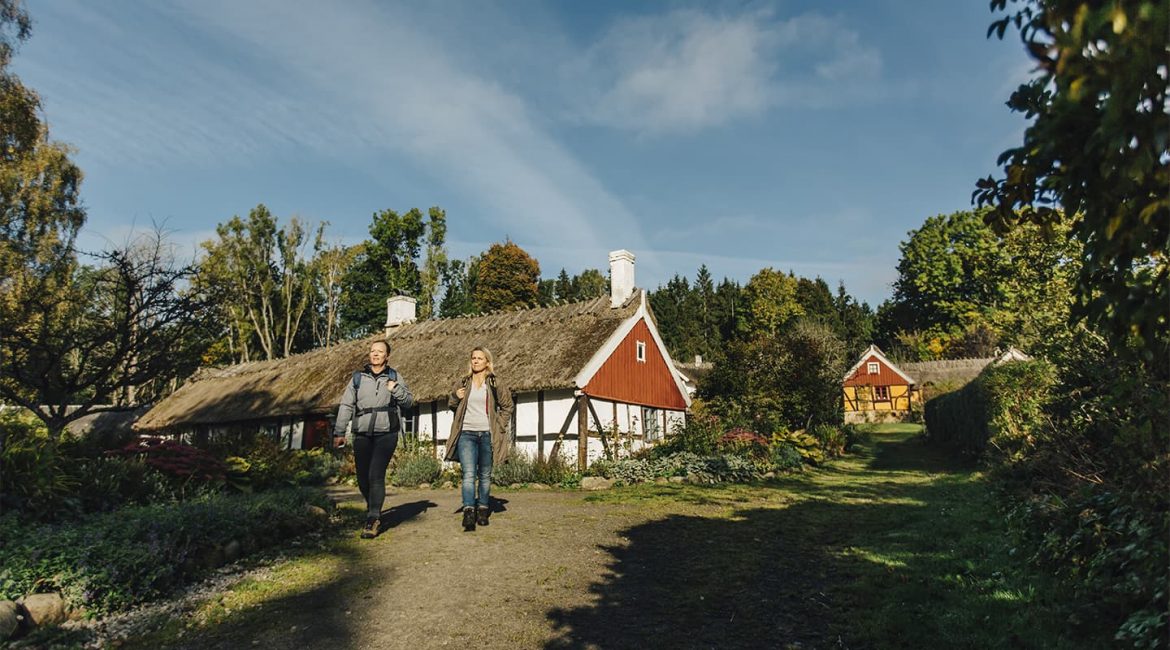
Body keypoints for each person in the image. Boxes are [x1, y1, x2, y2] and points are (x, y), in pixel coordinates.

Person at [333, 339, 414, 539]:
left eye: (380, 352)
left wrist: (395, 389)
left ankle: (372, 519)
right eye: (372, 351)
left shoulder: (394, 376)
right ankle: (373, 507)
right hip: (361, 432)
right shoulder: (357, 379)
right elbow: (346, 405)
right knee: (362, 477)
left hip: (387, 433)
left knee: (376, 474)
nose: (375, 354)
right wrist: (339, 432)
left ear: (387, 356)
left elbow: (409, 402)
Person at [445, 346, 513, 532]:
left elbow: (507, 406)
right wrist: (455, 396)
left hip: (487, 435)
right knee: (468, 474)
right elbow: (452, 405)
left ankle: (482, 508)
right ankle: (469, 511)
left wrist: (499, 426)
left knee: (484, 475)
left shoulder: (494, 383)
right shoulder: (463, 382)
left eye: (480, 358)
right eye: (473, 358)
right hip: (466, 433)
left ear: (487, 362)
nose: (475, 361)